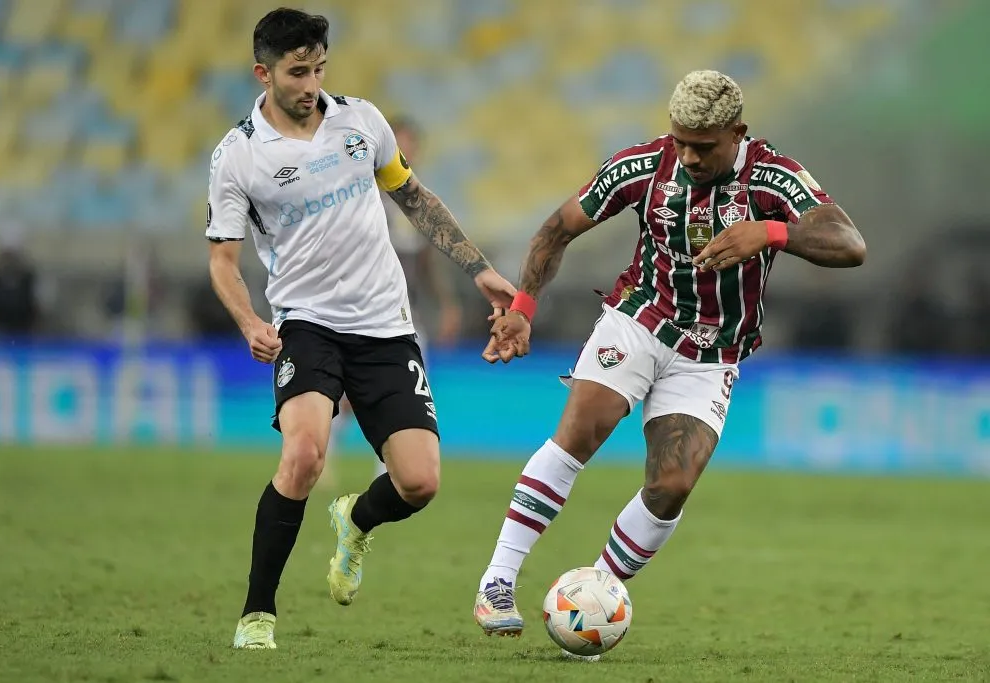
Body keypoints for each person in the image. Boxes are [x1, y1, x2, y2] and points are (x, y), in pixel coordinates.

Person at [473, 70, 866, 648]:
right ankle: (498, 580)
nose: (687, 155)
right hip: (640, 319)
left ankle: (596, 595)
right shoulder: (643, 166)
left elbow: (851, 245)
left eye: (703, 146)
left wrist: (772, 231)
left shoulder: (772, 176)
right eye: (679, 140)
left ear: (738, 133)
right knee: (583, 430)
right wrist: (524, 307)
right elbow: (556, 230)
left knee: (673, 484)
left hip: (712, 351)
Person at [205, 9, 515, 650]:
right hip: (307, 325)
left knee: (420, 482)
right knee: (305, 454)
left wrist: (478, 270)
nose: (311, 82)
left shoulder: (362, 121)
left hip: (385, 325)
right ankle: (257, 613)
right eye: (296, 71)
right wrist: (248, 320)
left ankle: (355, 521)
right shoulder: (239, 156)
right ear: (263, 72)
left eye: (318, 67)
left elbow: (413, 197)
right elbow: (223, 261)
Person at [324, 115, 463, 486]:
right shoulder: (362, 196)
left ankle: (389, 475)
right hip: (364, 310)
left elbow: (427, 260)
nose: (406, 152)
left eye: (411, 145)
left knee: (409, 392)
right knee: (352, 395)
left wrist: (447, 304)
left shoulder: (415, 199)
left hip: (409, 313)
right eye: (400, 144)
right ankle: (323, 454)